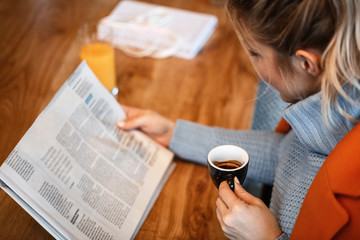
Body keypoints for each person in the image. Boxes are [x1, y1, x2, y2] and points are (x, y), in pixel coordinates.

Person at [117, 0, 360, 239]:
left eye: (255, 53)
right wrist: (173, 134)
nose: (253, 65)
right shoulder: (330, 115)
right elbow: (285, 154)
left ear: (307, 64)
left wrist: (266, 237)